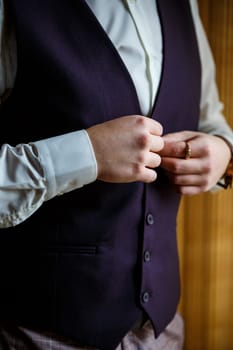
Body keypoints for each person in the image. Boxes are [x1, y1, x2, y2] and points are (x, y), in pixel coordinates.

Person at [0, 0, 232, 349]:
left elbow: (210, 118)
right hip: (39, 334)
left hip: (162, 332)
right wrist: (87, 154)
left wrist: (222, 151)